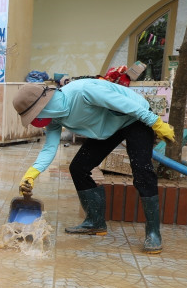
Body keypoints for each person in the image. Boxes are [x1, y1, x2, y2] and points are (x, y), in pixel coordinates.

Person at [14, 79, 175, 254]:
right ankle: (95, 222)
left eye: (33, 116)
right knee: (78, 168)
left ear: (42, 106)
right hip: (109, 129)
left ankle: (153, 232)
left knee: (142, 170)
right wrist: (32, 173)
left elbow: (126, 105)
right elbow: (49, 148)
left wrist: (156, 122)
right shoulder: (54, 118)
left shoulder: (83, 91)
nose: (34, 121)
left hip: (135, 117)